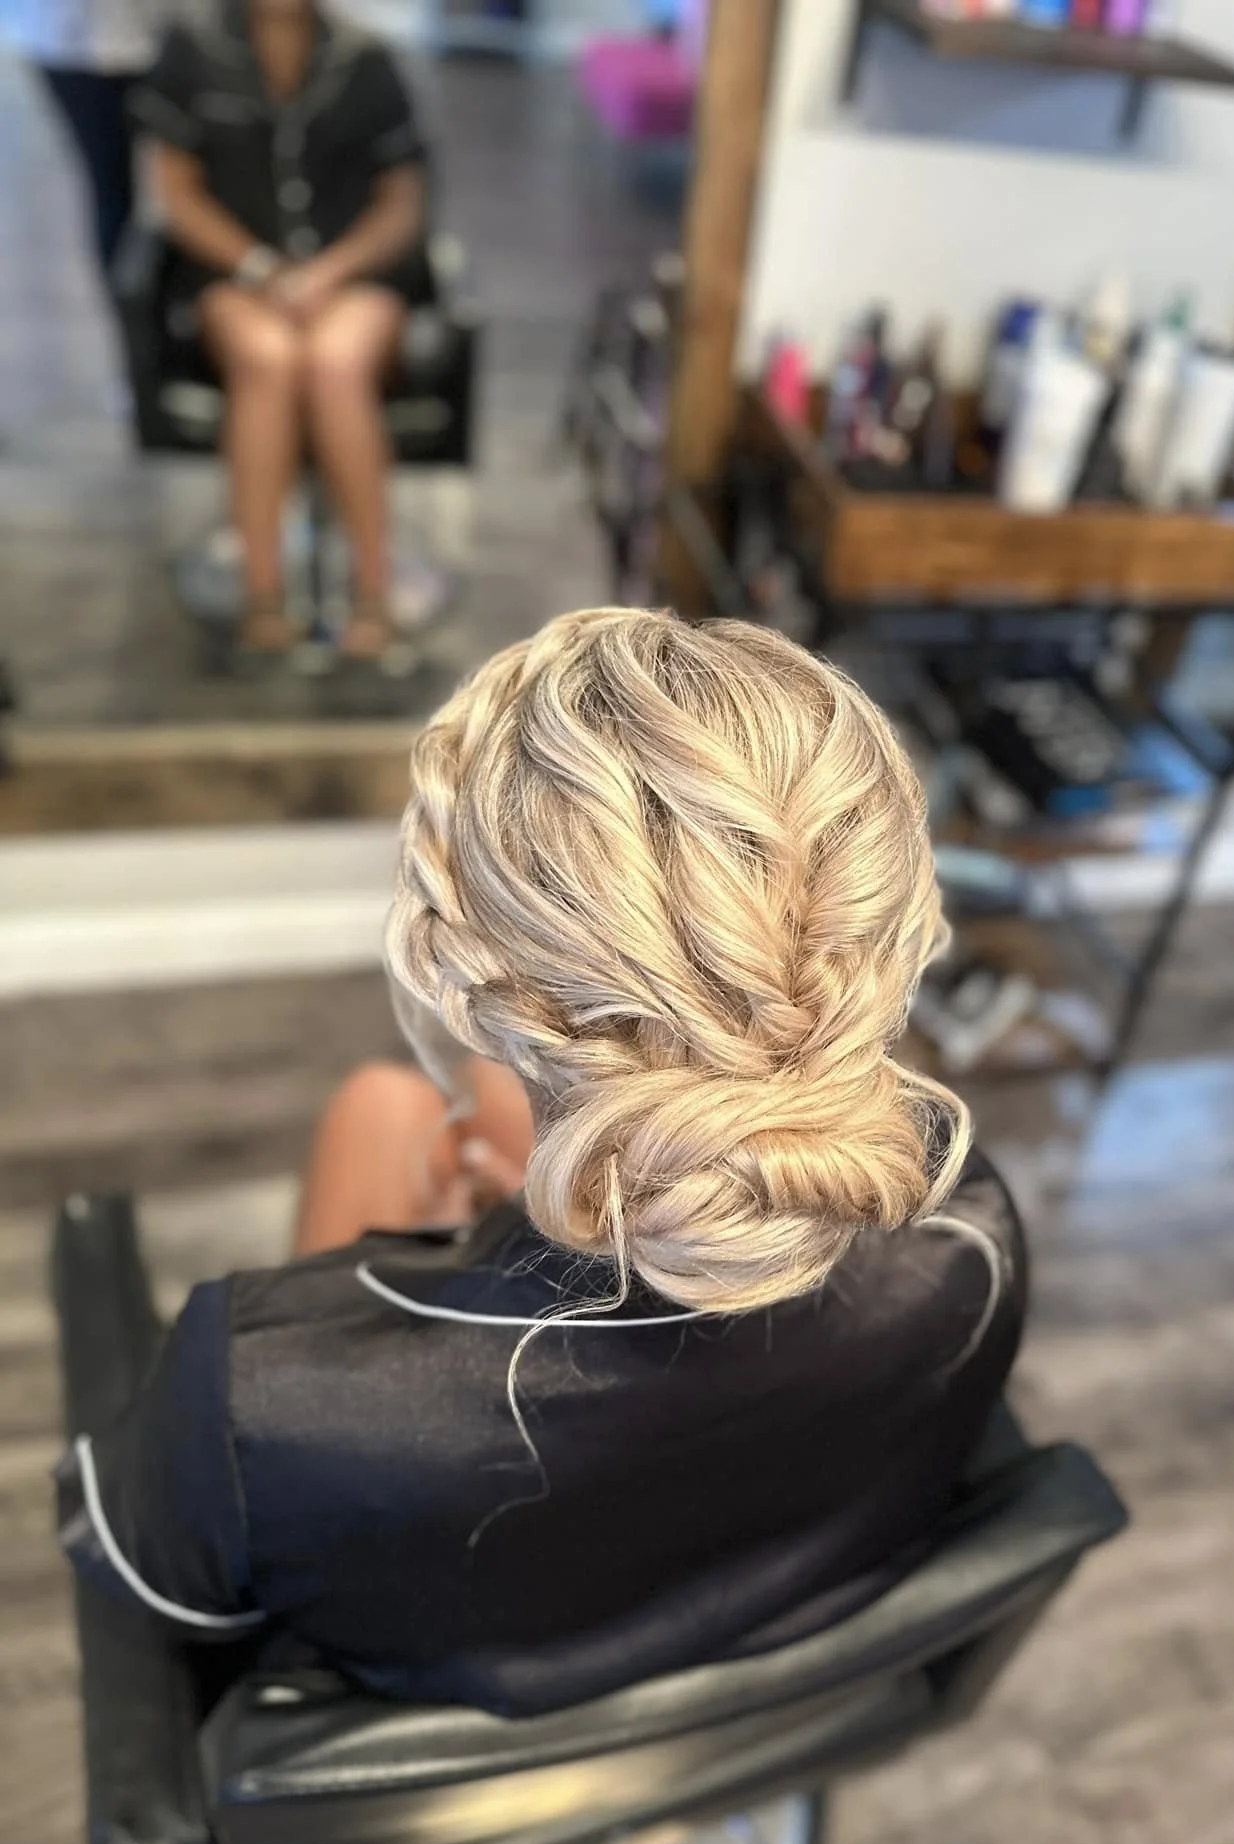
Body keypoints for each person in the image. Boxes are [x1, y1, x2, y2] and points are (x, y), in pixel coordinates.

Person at [56, 610, 1029, 1717]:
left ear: (448, 966)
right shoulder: (974, 1236)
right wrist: (487, 1247)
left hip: (448, 1742)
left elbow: (168, 1639)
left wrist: (435, 1274)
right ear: (894, 935)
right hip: (760, 1685)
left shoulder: (257, 1399)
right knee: (387, 1110)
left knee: (380, 1109)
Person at [130, 1, 432, 663]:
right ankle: (262, 595)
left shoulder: (365, 61)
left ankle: (372, 593)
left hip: (353, 274)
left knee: (333, 361)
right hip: (234, 274)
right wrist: (259, 267)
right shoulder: (193, 53)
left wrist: (331, 270)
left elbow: (402, 201)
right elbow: (175, 194)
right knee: (268, 357)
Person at [5, 0, 169, 281]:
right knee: (111, 182)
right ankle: (122, 293)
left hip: (149, 36)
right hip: (74, 46)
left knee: (164, 172)